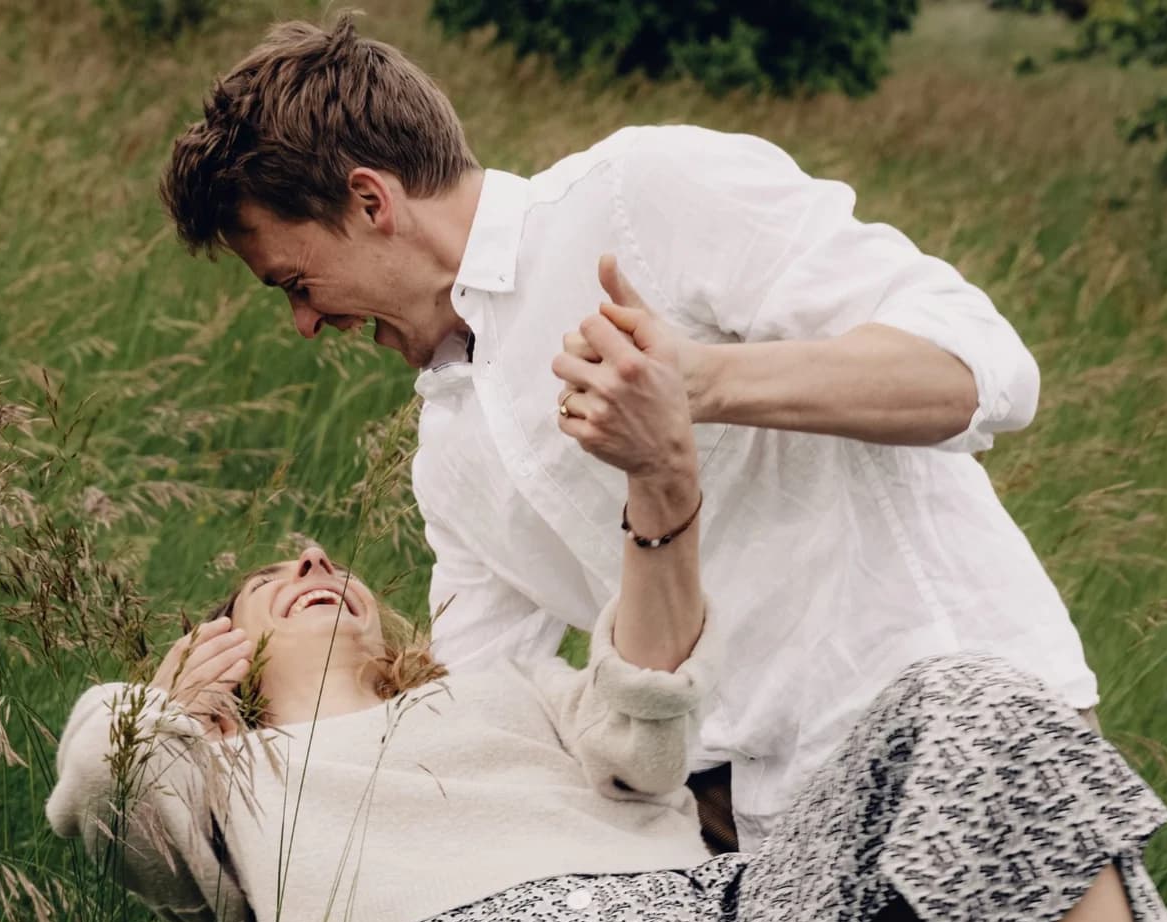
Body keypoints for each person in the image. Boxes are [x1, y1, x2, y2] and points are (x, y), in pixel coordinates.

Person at [43, 305, 1167, 922]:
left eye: (326, 564)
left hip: (727, 918)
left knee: (972, 703)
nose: (311, 564)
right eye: (271, 580)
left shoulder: (503, 691)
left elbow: (643, 746)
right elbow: (102, 790)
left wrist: (660, 497)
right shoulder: (242, 782)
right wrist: (164, 703)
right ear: (223, 655)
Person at [159, 15, 1099, 852]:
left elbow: (981, 367)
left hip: (954, 726)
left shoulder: (641, 195)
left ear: (372, 202)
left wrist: (703, 383)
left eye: (296, 283)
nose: (305, 324)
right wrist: (186, 734)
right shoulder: (447, 453)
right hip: (757, 837)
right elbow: (470, 727)